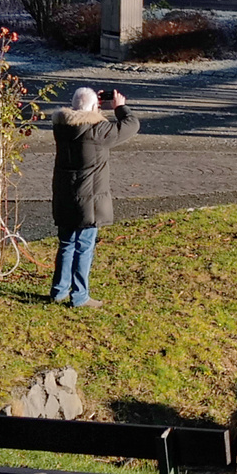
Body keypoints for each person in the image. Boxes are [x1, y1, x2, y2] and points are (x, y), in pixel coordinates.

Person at [48, 86, 140, 308]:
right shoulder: (98, 131)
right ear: (93, 107)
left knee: (66, 244)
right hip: (89, 199)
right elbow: (131, 125)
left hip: (65, 195)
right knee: (84, 246)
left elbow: (84, 117)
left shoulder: (60, 127)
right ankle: (80, 296)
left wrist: (93, 106)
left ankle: (59, 291)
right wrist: (119, 107)